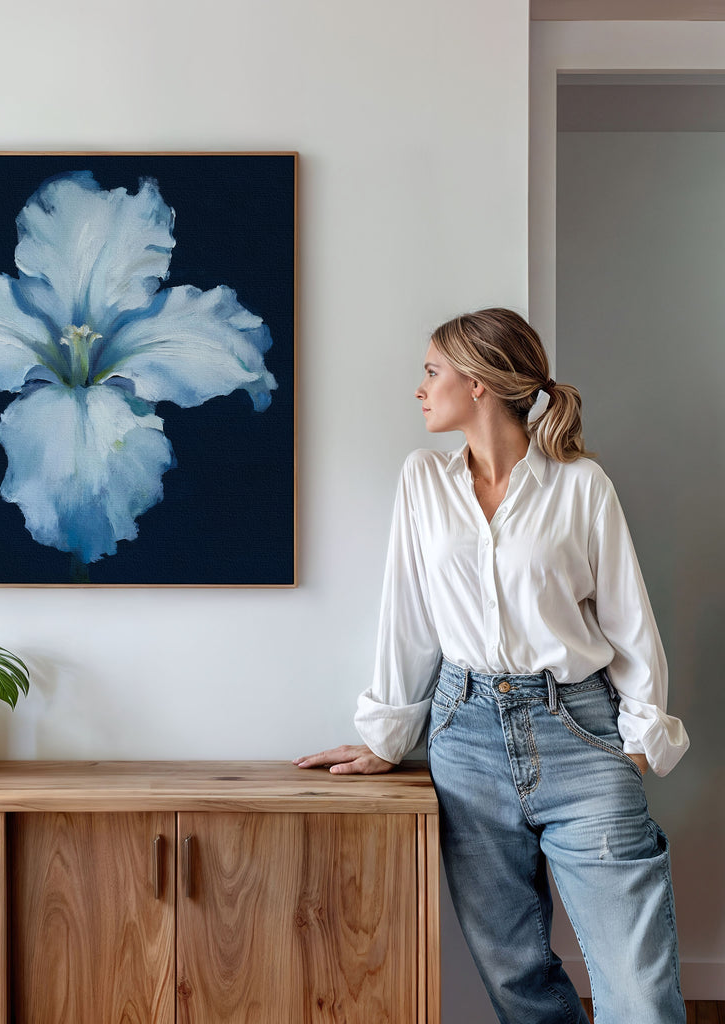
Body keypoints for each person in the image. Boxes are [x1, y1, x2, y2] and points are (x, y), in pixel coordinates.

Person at [294, 308, 689, 1024]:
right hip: (464, 735)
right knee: (516, 979)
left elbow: (630, 621)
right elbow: (406, 616)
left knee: (638, 988)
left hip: (580, 729)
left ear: (478, 384)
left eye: (431, 371)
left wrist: (637, 740)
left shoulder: (581, 486)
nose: (420, 388)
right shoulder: (423, 481)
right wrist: (388, 737)